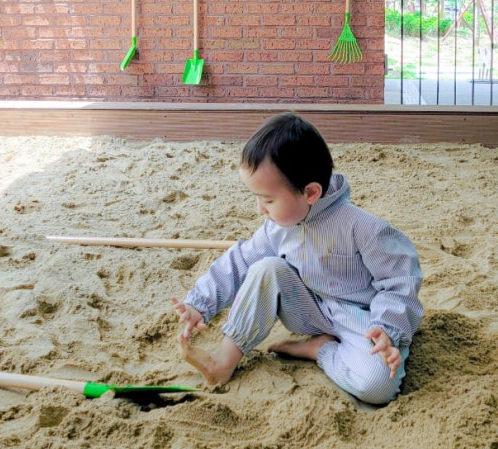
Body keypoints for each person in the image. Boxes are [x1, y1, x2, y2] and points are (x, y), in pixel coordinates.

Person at [172, 112, 423, 405]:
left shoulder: (364, 227)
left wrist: (388, 329)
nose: (260, 209)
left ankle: (319, 350)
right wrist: (198, 303)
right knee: (266, 268)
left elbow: (400, 280)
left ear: (311, 192)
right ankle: (223, 362)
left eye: (267, 200)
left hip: (362, 319)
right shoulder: (277, 226)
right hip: (309, 309)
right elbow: (239, 261)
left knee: (379, 387)